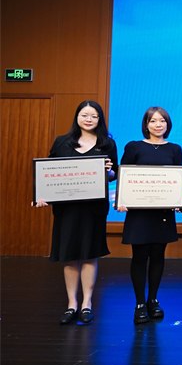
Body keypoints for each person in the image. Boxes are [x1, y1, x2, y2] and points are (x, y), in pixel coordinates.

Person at [33, 100, 118, 324]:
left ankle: (86, 303)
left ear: (99, 119)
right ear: (77, 117)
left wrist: (108, 172)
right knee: (69, 255)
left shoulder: (107, 143)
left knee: (90, 253)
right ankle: (71, 303)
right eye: (84, 115)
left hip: (93, 208)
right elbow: (47, 172)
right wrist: (41, 195)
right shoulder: (62, 142)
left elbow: (114, 175)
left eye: (94, 116)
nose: (89, 119)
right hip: (67, 209)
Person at [118, 106, 182, 324]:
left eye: (162, 121)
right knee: (139, 257)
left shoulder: (175, 149)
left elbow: (177, 179)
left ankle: (153, 299)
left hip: (163, 213)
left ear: (168, 124)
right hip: (139, 214)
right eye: (153, 121)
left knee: (158, 256)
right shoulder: (134, 147)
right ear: (146, 125)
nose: (158, 125)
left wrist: (178, 199)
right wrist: (122, 200)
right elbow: (124, 176)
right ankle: (139, 303)